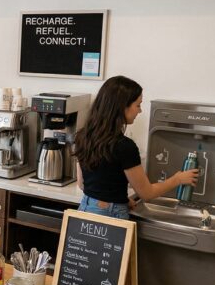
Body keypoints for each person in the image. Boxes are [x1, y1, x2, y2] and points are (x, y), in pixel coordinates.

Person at [74, 75, 199, 219]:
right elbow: (146, 193)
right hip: (110, 215)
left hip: (85, 208)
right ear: (122, 107)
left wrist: (122, 199)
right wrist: (178, 179)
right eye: (138, 105)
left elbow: (82, 184)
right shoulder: (125, 147)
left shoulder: (82, 136)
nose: (140, 111)